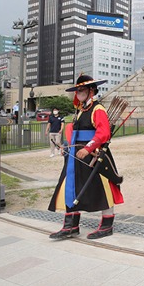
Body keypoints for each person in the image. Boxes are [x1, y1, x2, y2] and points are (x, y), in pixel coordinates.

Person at [48, 75, 124, 240]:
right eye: (77, 90)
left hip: (94, 155)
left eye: (82, 90)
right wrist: (67, 146)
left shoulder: (98, 109)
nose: (79, 93)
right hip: (76, 155)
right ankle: (71, 226)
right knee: (71, 186)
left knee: (103, 188)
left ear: (91, 91)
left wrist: (89, 148)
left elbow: (104, 133)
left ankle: (107, 225)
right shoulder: (80, 110)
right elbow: (73, 130)